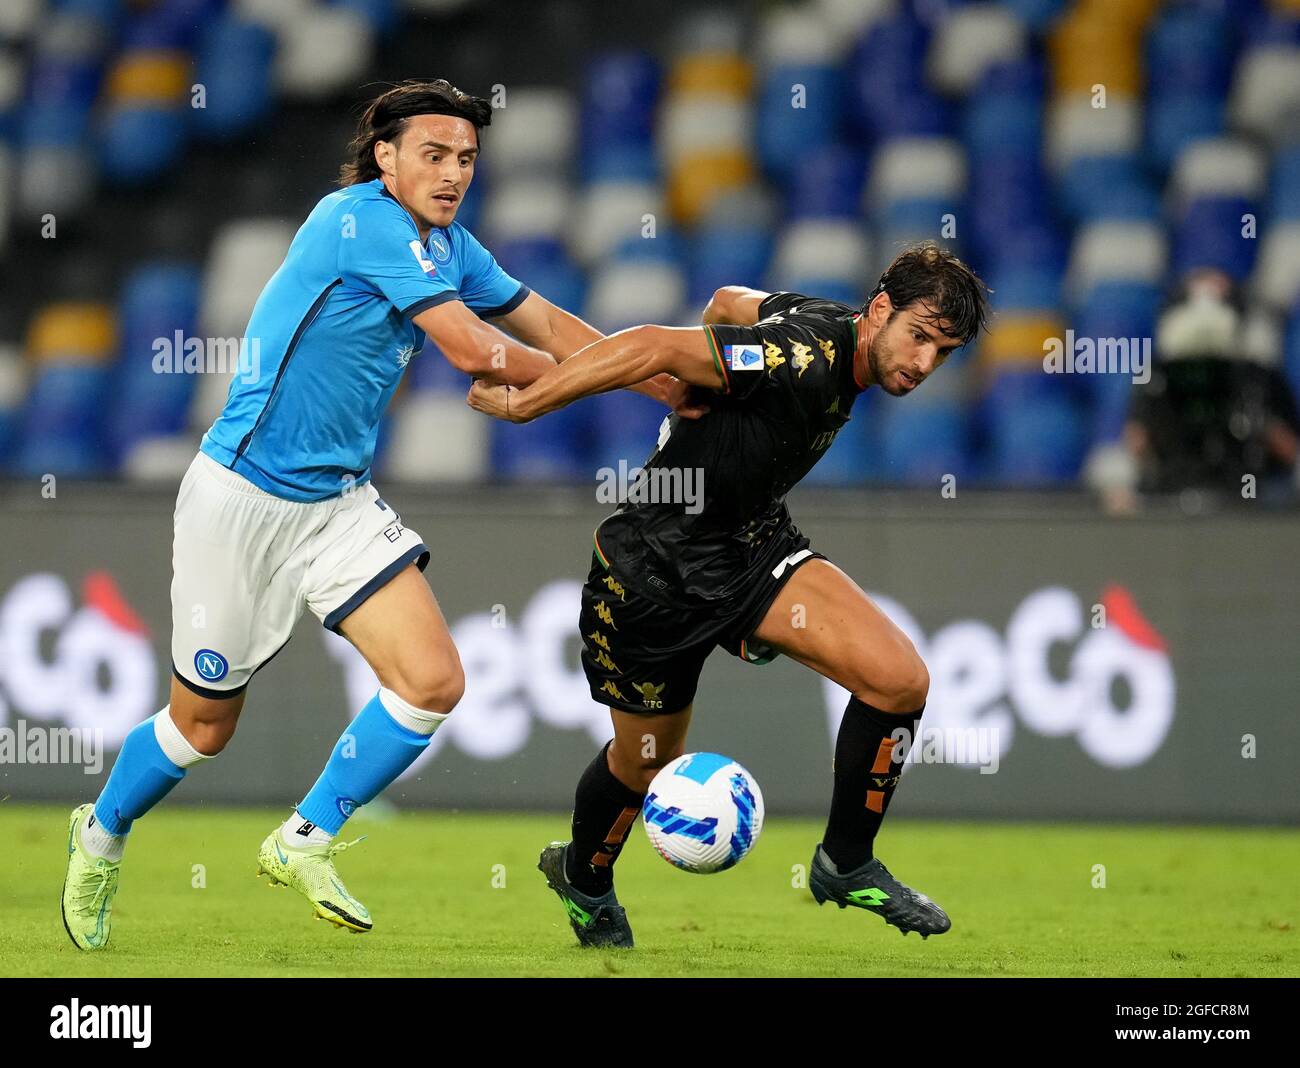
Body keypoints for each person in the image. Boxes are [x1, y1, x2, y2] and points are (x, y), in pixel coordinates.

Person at [60, 78, 698, 951]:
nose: (452, 173)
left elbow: (545, 320)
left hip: (336, 505)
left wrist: (657, 375)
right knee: (202, 727)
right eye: (433, 155)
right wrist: (582, 386)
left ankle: (304, 838)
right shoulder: (354, 222)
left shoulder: (452, 245)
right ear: (386, 157)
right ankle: (99, 834)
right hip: (240, 498)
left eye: (466, 158)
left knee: (434, 681)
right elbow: (475, 350)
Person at [468, 241, 991, 947]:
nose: (924, 363)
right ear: (879, 312)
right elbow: (654, 343)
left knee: (899, 682)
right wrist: (531, 403)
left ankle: (846, 862)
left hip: (752, 549)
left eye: (943, 352)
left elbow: (727, 300)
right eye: (919, 337)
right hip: (650, 574)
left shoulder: (814, 322)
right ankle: (585, 881)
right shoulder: (801, 359)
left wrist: (706, 385)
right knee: (642, 763)